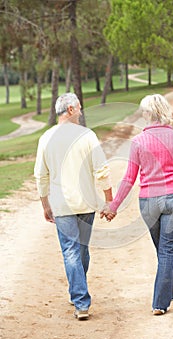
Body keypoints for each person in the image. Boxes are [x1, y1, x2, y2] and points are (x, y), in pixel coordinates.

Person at [101, 94, 173, 316]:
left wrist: (113, 206)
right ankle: (170, 292)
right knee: (166, 249)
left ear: (148, 114)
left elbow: (129, 178)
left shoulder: (139, 141)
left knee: (163, 249)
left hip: (149, 202)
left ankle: (161, 301)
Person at [34, 92, 112, 320]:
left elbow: (41, 176)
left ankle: (79, 299)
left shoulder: (46, 138)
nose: (80, 111)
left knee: (71, 251)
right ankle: (79, 296)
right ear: (70, 110)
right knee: (81, 250)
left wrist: (45, 204)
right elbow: (102, 170)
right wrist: (108, 199)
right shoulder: (87, 136)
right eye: (78, 107)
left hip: (61, 205)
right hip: (86, 203)